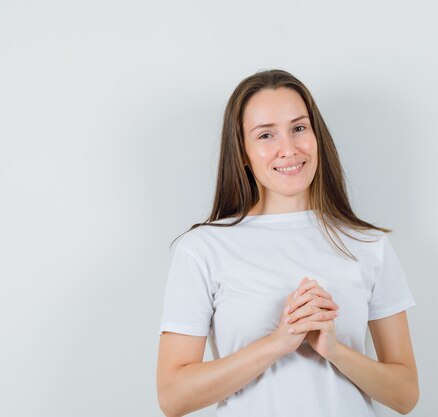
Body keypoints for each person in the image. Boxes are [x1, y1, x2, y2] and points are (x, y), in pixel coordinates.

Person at [156, 69, 419, 417]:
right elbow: (173, 397)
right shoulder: (203, 248)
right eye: (266, 135)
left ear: (316, 136)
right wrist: (279, 342)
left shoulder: (367, 243)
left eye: (298, 128)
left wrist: (334, 350)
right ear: (243, 153)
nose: (288, 149)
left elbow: (405, 395)